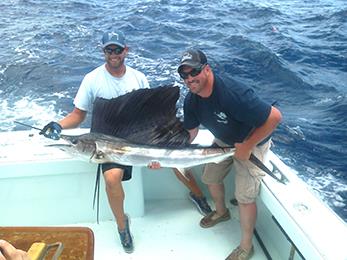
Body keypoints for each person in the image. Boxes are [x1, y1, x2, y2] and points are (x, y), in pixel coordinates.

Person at [39, 30, 210, 253]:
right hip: (108, 146)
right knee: (111, 177)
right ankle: (122, 226)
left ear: (125, 51)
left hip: (140, 139)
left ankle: (197, 195)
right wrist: (59, 126)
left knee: (173, 157)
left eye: (117, 49)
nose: (113, 54)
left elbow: (151, 116)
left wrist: (158, 146)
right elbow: (78, 115)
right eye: (109, 50)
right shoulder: (92, 79)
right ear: (103, 52)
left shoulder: (138, 77)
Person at [177, 48, 282, 260]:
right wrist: (167, 153)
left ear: (207, 69)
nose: (189, 79)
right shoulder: (191, 100)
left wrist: (248, 145)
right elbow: (191, 132)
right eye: (184, 75)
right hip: (224, 141)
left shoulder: (233, 94)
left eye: (194, 72)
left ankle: (246, 247)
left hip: (252, 143)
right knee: (210, 178)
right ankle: (222, 212)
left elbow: (275, 117)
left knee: (244, 197)